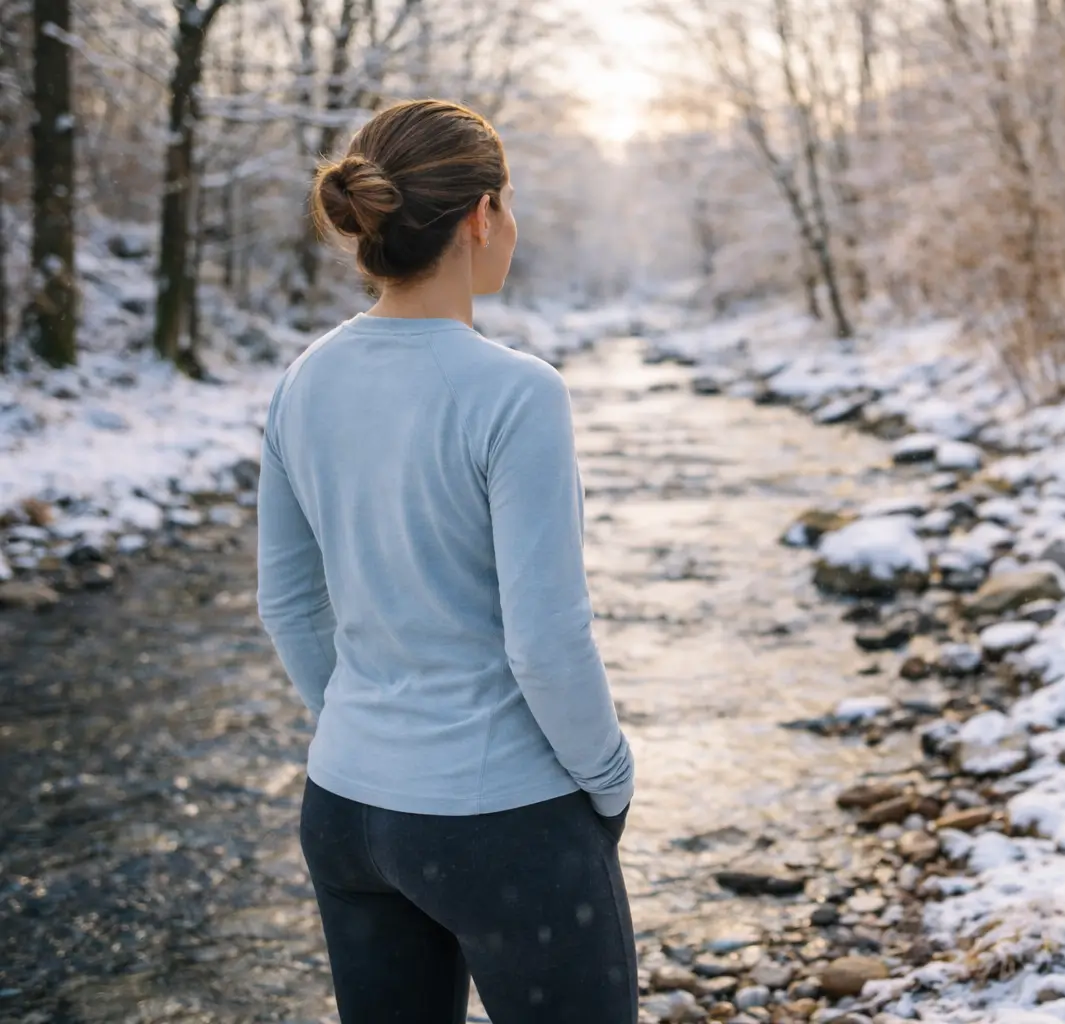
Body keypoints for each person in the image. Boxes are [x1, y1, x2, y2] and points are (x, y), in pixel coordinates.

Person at [255, 98, 637, 1023]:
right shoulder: (516, 393)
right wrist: (610, 776)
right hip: (501, 823)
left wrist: (369, 727)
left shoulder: (303, 379)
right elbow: (544, 643)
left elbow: (288, 605)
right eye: (510, 202)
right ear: (481, 215)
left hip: (347, 810)